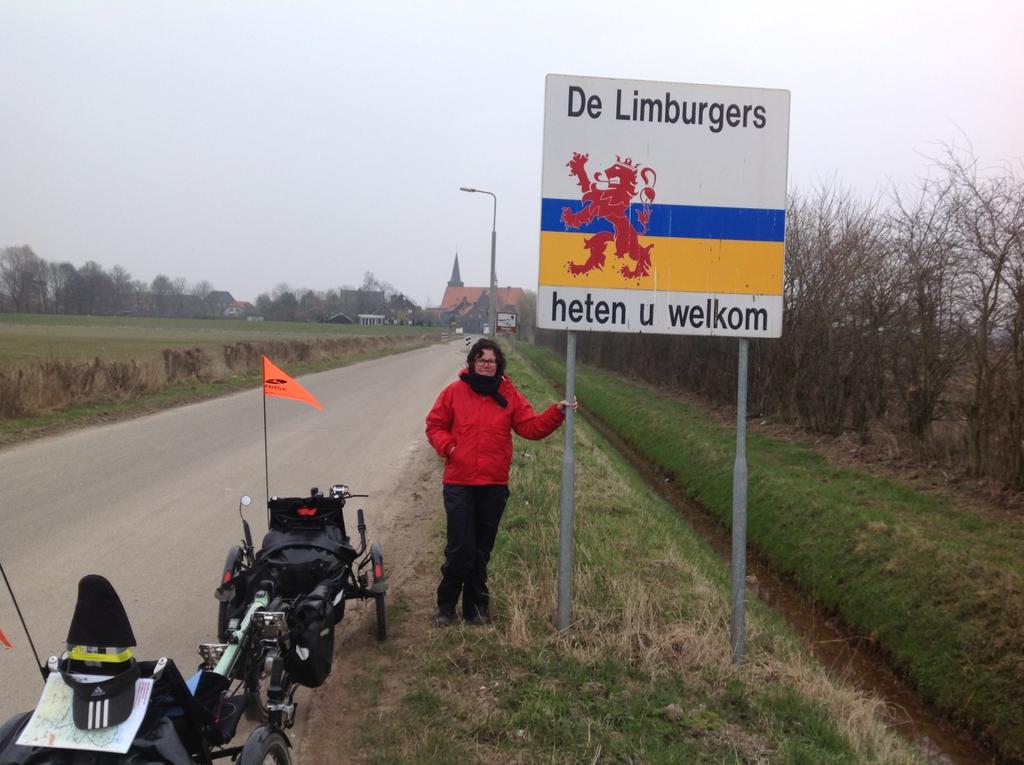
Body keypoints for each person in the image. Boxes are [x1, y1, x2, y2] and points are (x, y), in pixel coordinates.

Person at [425, 338, 577, 627]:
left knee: (481, 550)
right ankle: (446, 607)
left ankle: (476, 609)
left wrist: (556, 413)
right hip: (459, 482)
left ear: (498, 365)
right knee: (460, 548)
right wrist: (450, 448)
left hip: (493, 485)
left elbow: (530, 427)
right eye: (481, 359)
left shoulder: (509, 395)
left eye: (491, 361)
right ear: (472, 362)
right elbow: (434, 425)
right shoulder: (454, 392)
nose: (485, 364)